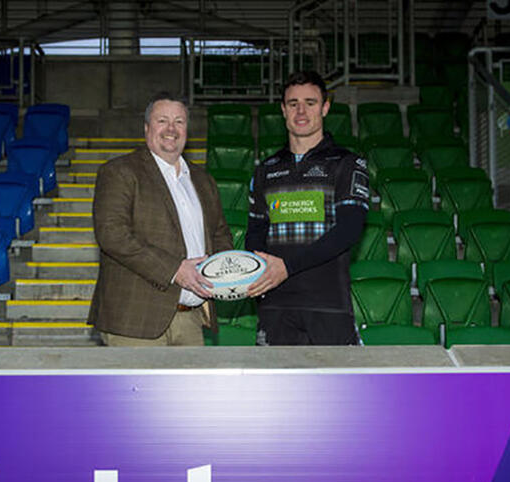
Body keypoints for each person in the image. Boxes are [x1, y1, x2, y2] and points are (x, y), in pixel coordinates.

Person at [88, 92, 232, 346]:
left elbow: (220, 234)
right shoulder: (119, 171)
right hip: (134, 321)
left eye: (179, 121)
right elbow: (112, 234)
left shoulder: (203, 180)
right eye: (162, 121)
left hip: (192, 319)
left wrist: (223, 269)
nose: (171, 129)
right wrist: (175, 269)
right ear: (146, 128)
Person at [245, 71, 370, 345]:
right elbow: (255, 233)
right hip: (275, 306)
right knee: (276, 389)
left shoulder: (347, 163)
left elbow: (348, 230)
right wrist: (254, 270)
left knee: (336, 389)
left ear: (325, 108)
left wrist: (287, 268)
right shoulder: (266, 170)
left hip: (328, 306)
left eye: (310, 103)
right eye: (293, 104)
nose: (301, 111)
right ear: (283, 110)